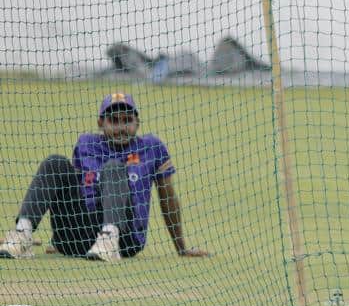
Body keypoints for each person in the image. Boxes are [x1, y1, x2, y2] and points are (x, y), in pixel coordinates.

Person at [0, 93, 207, 262]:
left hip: (126, 238)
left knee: (114, 167)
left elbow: (167, 197)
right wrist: (59, 239)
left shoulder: (152, 147)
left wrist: (181, 247)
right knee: (54, 163)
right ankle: (22, 233)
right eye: (113, 121)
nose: (121, 127)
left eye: (127, 120)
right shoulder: (86, 144)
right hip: (77, 237)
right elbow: (72, 191)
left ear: (138, 123)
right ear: (101, 123)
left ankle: (109, 240)